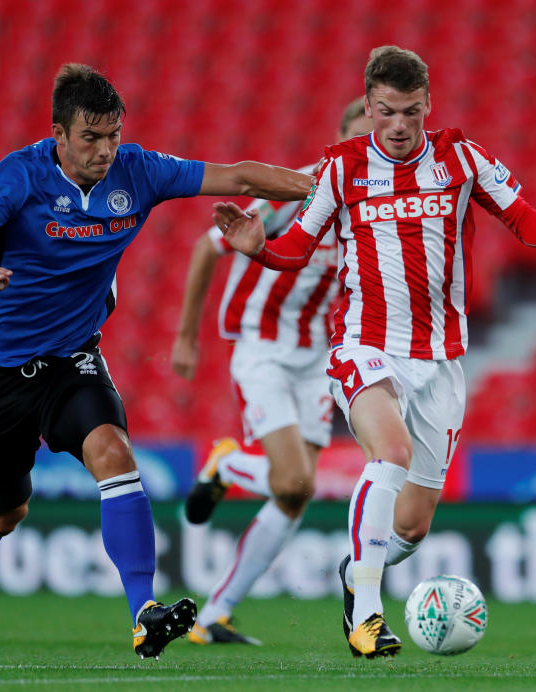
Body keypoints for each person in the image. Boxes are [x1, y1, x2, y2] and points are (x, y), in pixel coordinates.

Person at [0, 63, 313, 659]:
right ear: (59, 134)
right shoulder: (20, 174)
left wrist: (328, 188)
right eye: (91, 137)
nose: (106, 150)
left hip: (71, 359)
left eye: (113, 135)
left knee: (115, 452)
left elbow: (237, 176)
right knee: (5, 512)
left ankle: (144, 614)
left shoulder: (139, 171)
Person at [216, 46, 536, 658]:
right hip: (364, 343)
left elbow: (526, 221)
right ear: (369, 107)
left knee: (411, 527)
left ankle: (353, 573)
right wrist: (259, 248)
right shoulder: (340, 169)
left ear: (428, 107)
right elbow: (296, 251)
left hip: (440, 359)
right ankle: (367, 616)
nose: (397, 125)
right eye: (386, 111)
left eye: (411, 113)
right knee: (387, 452)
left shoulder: (463, 158)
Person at [171, 98, 373, 646]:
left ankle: (214, 615)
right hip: (262, 347)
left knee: (294, 496)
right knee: (293, 480)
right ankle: (228, 464)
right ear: (339, 137)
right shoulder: (303, 190)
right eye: (359, 135)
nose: (369, 147)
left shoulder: (378, 203)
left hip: (316, 360)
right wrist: (187, 336)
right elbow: (206, 247)